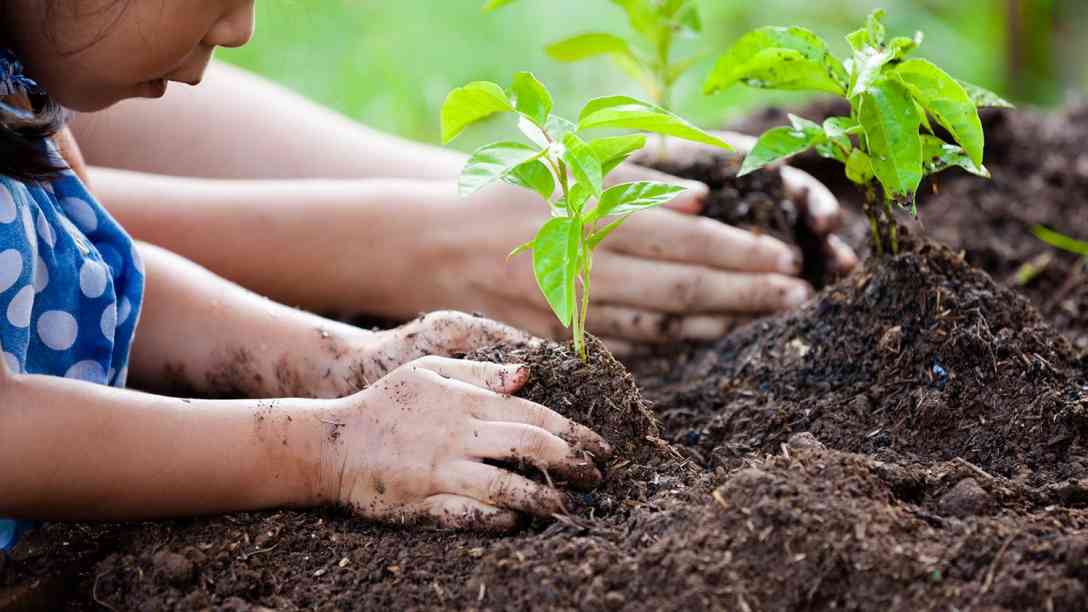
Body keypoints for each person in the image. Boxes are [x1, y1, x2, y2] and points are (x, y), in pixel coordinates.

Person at [0, 0, 853, 550]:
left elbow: (95, 268)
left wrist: (339, 360)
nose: (242, 28)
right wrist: (324, 447)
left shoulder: (26, 86)